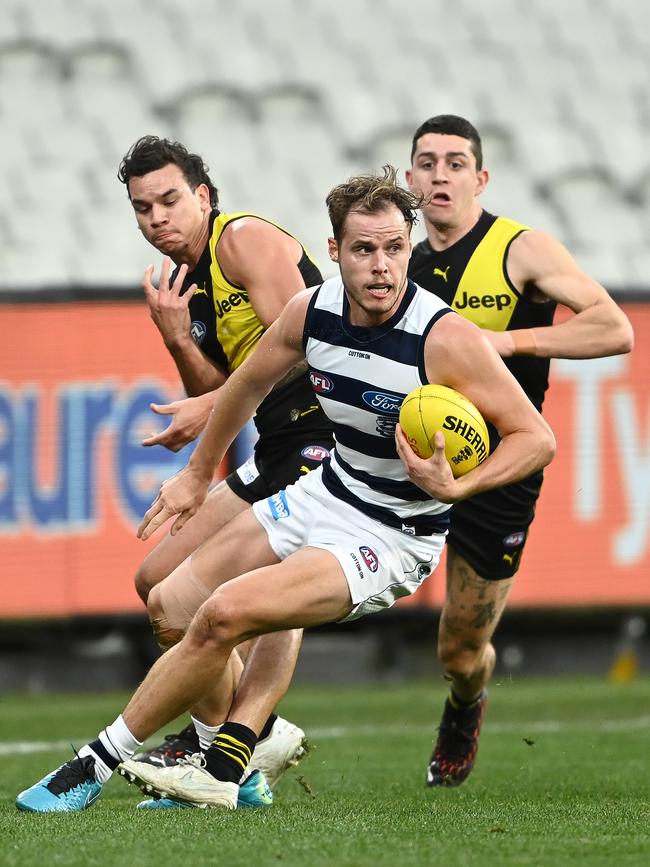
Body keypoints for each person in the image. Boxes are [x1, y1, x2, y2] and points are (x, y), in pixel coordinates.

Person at [17, 165, 555, 812]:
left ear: (410, 247)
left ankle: (93, 767)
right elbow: (243, 384)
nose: (381, 266)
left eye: (394, 248)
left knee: (224, 613)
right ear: (334, 252)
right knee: (170, 604)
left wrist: (459, 483)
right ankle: (233, 764)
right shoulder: (313, 311)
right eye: (363, 249)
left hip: (391, 533)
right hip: (326, 489)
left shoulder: (445, 339)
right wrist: (195, 475)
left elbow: (536, 438)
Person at [405, 115, 634, 788]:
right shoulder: (401, 262)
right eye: (427, 162)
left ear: (480, 178)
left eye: (455, 163)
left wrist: (506, 343)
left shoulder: (518, 249)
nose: (440, 174)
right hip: (410, 455)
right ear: (411, 179)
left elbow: (612, 327)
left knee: (459, 647)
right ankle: (242, 733)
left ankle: (466, 701)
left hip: (500, 459)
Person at [116, 136, 335, 794]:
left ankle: (235, 742)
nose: (157, 217)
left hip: (324, 434)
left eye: (170, 199)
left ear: (204, 197)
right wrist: (178, 336)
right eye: (142, 207)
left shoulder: (240, 240)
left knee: (261, 593)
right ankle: (243, 740)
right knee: (154, 585)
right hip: (275, 443)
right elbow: (220, 380)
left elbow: (305, 349)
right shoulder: (188, 285)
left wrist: (208, 407)